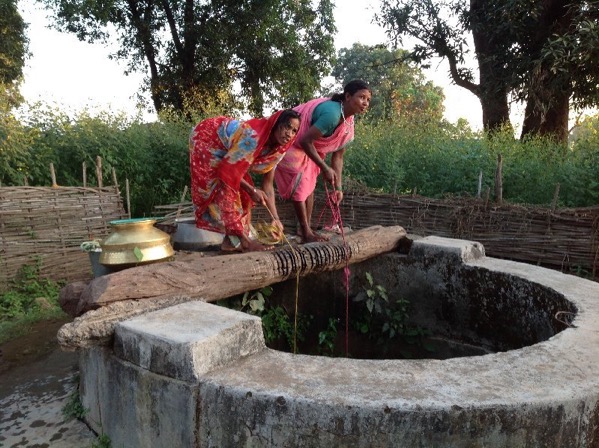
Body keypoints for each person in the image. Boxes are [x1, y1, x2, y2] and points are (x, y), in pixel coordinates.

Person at [189, 109, 301, 253]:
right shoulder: (253, 137)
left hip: (229, 154)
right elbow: (228, 171)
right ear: (276, 124)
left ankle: (230, 242)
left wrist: (276, 218)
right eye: (287, 127)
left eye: (294, 131)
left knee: (242, 193)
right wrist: (252, 190)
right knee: (226, 189)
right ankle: (245, 241)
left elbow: (268, 185)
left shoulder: (279, 150)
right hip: (208, 138)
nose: (289, 134)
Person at [274, 79, 372, 243]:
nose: (365, 103)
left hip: (308, 143)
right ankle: (306, 233)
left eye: (368, 100)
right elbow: (305, 140)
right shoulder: (332, 115)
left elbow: (338, 156)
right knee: (301, 180)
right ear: (348, 96)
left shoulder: (348, 121)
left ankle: (304, 229)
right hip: (292, 138)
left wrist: (338, 188)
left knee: (309, 183)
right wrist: (325, 167)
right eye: (362, 97)